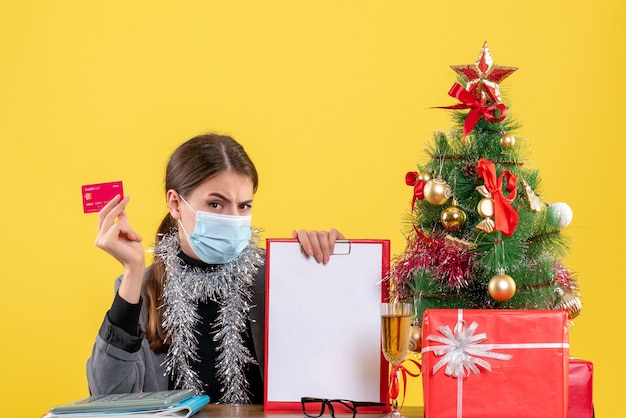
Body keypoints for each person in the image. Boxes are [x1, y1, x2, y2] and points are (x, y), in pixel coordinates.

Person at [87, 133, 344, 404]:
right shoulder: (142, 287)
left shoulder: (274, 275)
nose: (233, 219)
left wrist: (329, 272)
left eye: (243, 206)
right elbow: (106, 398)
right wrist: (132, 271)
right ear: (175, 203)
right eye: (215, 204)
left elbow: (329, 371)